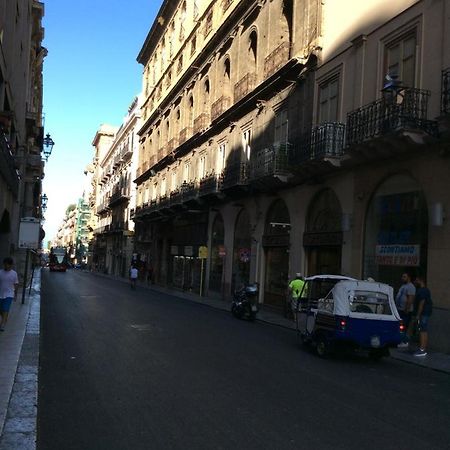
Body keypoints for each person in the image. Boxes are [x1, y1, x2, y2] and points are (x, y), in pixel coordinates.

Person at [412, 276, 433, 357]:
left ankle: (422, 349)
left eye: (417, 280)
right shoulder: (424, 290)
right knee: (423, 329)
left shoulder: (423, 290)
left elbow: (421, 303)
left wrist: (418, 315)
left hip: (424, 313)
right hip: (425, 313)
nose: (415, 281)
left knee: (423, 330)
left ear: (421, 280)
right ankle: (422, 348)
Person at [395, 272, 416, 348]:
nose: (402, 278)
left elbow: (410, 299)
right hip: (400, 309)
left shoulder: (411, 287)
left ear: (409, 278)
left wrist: (407, 308)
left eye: (404, 277)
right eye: (402, 276)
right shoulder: (404, 286)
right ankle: (400, 339)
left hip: (406, 310)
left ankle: (405, 341)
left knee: (404, 326)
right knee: (400, 325)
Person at [0, 257, 19, 332]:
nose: (6, 266)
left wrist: (15, 294)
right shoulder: (0, 272)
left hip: (9, 294)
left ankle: (3, 324)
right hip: (0, 293)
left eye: (8, 264)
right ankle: (4, 318)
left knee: (5, 309)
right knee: (1, 309)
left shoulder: (14, 273)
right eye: (5, 264)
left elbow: (16, 284)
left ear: (11, 265)